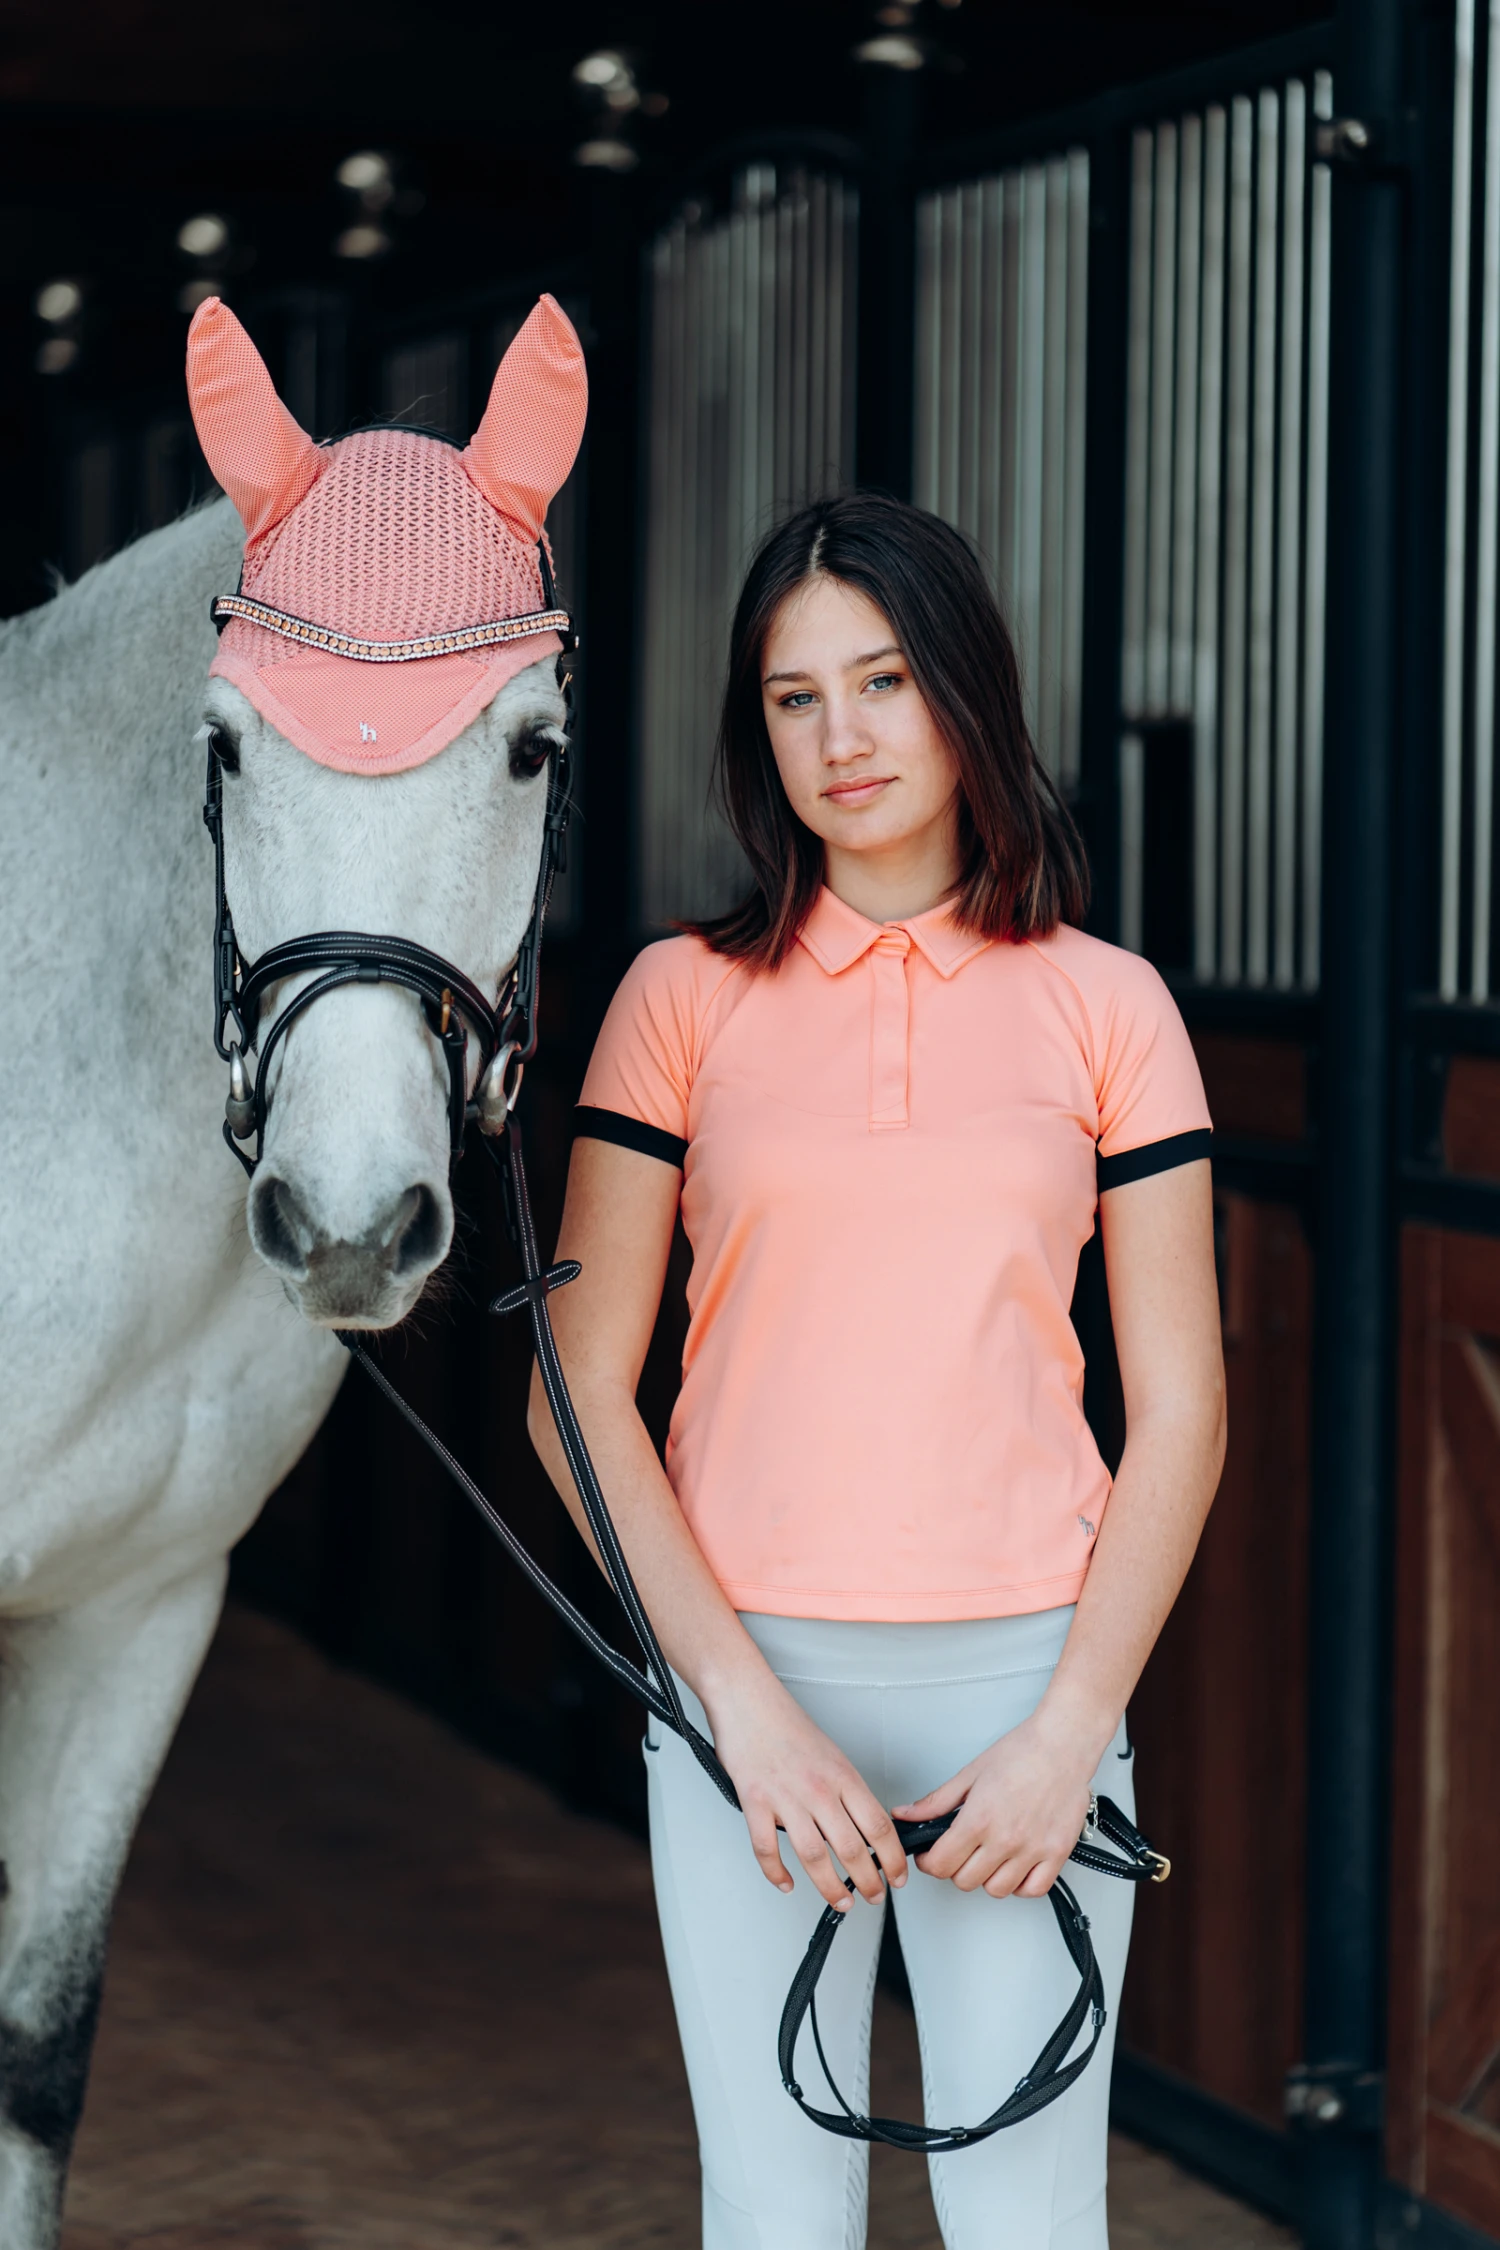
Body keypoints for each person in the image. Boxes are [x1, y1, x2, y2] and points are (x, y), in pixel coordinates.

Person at [528, 492, 1225, 2250]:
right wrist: (740, 1711)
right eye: (793, 697)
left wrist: (1071, 1733)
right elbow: (574, 1391)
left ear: (964, 690)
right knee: (773, 2212)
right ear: (756, 732)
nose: (842, 738)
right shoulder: (678, 998)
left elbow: (1185, 1411)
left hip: (1026, 1698)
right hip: (744, 1697)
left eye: (886, 680)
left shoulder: (1109, 1005)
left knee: (1027, 2214)